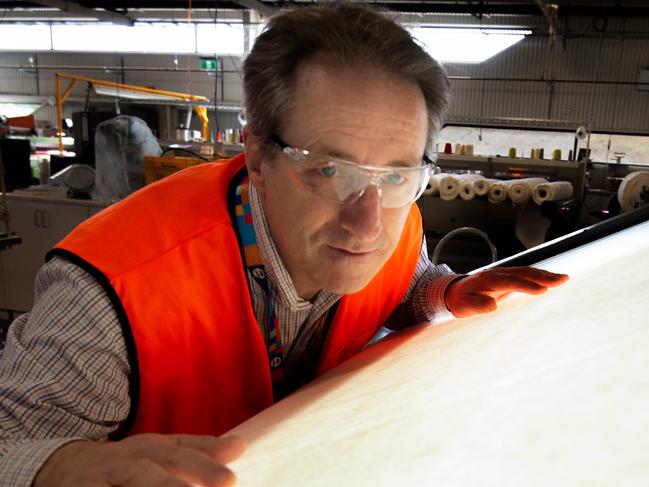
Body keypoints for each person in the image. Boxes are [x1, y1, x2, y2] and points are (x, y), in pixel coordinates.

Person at [0, 4, 568, 486]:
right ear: (257, 154)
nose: (367, 222)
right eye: (327, 170)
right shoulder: (115, 286)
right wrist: (63, 465)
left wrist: (445, 293)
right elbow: (11, 441)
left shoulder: (399, 221)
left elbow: (406, 284)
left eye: (396, 175)